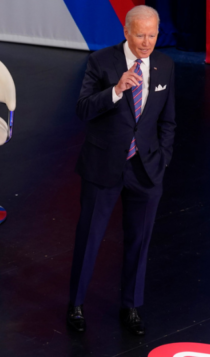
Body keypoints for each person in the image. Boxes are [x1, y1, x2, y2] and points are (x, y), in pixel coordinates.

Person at [68, 6, 176, 335]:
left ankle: (131, 306)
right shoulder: (101, 61)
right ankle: (76, 304)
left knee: (139, 241)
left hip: (146, 169)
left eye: (153, 35)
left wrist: (163, 159)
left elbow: (168, 120)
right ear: (126, 31)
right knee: (90, 237)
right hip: (104, 166)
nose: (147, 42)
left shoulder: (165, 65)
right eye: (141, 35)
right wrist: (115, 91)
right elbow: (83, 109)